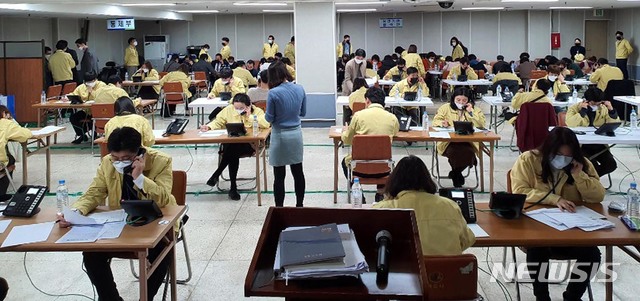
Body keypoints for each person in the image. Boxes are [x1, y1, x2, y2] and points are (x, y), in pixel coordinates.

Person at [57, 126, 175, 301]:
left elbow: (164, 199)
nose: (120, 162)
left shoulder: (161, 161)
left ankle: (146, 298)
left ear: (140, 152)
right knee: (91, 254)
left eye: (126, 158)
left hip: (156, 221)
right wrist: (76, 211)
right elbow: (94, 192)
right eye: (116, 158)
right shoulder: (107, 163)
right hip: (121, 222)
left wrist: (140, 178)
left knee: (162, 252)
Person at [510, 127, 603, 301]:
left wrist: (579, 175)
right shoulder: (528, 160)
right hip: (538, 228)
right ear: (548, 149)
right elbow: (520, 190)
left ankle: (572, 296)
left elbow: (598, 196)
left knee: (592, 254)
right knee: (538, 250)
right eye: (558, 155)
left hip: (574, 230)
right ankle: (542, 297)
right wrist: (554, 199)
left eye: (567, 157)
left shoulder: (582, 164)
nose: (562, 160)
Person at [373, 155, 475, 255]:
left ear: (393, 182)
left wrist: (388, 198)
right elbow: (467, 240)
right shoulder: (450, 206)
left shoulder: (384, 209)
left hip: (407, 270)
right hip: (447, 270)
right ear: (427, 179)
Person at [201, 94, 270, 200]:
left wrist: (250, 117)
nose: (238, 110)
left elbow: (266, 124)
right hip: (232, 144)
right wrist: (209, 126)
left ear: (249, 105)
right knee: (233, 149)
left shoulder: (257, 111)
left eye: (241, 108)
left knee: (232, 149)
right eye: (236, 108)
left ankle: (219, 175)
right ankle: (232, 188)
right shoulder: (229, 110)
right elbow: (218, 121)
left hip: (250, 145)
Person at [341, 87, 398, 202]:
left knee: (345, 162)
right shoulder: (392, 118)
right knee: (381, 155)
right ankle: (380, 194)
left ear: (367, 100)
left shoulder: (358, 116)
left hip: (359, 168)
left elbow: (347, 140)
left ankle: (359, 194)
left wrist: (344, 132)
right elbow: (395, 132)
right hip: (384, 168)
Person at [265, 61, 306, 207]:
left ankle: (279, 208)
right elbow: (303, 113)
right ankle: (300, 205)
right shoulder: (300, 88)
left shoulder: (273, 93)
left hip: (279, 135)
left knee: (279, 176)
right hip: (296, 134)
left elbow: (269, 118)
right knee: (298, 172)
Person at [432, 87, 485, 187]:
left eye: (464, 100)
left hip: (468, 142)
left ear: (469, 100)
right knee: (454, 152)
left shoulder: (474, 110)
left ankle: (455, 173)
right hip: (448, 142)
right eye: (458, 100)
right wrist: (442, 123)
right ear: (453, 99)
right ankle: (457, 173)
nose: (461, 102)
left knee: (469, 153)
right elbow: (435, 121)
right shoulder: (445, 108)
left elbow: (481, 124)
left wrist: (470, 112)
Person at [565, 87, 619, 177]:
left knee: (611, 165)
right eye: (594, 103)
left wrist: (611, 110)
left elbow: (613, 124)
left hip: (599, 144)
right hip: (581, 146)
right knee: (592, 166)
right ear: (586, 101)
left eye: (599, 103)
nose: (597, 106)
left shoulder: (603, 108)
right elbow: (570, 123)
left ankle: (592, 180)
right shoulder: (574, 108)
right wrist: (582, 112)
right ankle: (591, 183)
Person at [0, 105, 32, 200]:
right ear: (4, 114)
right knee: (10, 159)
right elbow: (24, 135)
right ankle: (1, 193)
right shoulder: (5, 123)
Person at [68, 72, 107, 144]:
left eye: (91, 82)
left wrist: (91, 91)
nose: (89, 84)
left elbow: (102, 97)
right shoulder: (81, 87)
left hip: (98, 112)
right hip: (86, 111)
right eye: (87, 82)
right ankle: (82, 135)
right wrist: (69, 96)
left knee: (94, 120)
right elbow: (74, 94)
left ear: (95, 80)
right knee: (73, 117)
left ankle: (95, 136)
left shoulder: (102, 85)